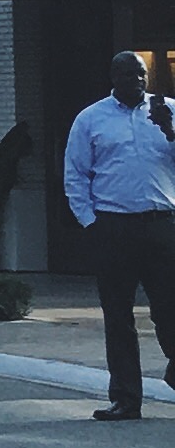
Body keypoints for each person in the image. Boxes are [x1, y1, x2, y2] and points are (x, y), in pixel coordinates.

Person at [63, 49, 175, 423]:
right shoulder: (90, 119)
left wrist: (170, 131)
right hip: (113, 227)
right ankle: (126, 399)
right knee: (118, 316)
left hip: (162, 225)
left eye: (141, 74)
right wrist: (90, 222)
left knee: (170, 309)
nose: (137, 81)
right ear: (113, 78)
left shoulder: (170, 111)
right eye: (129, 75)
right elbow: (76, 173)